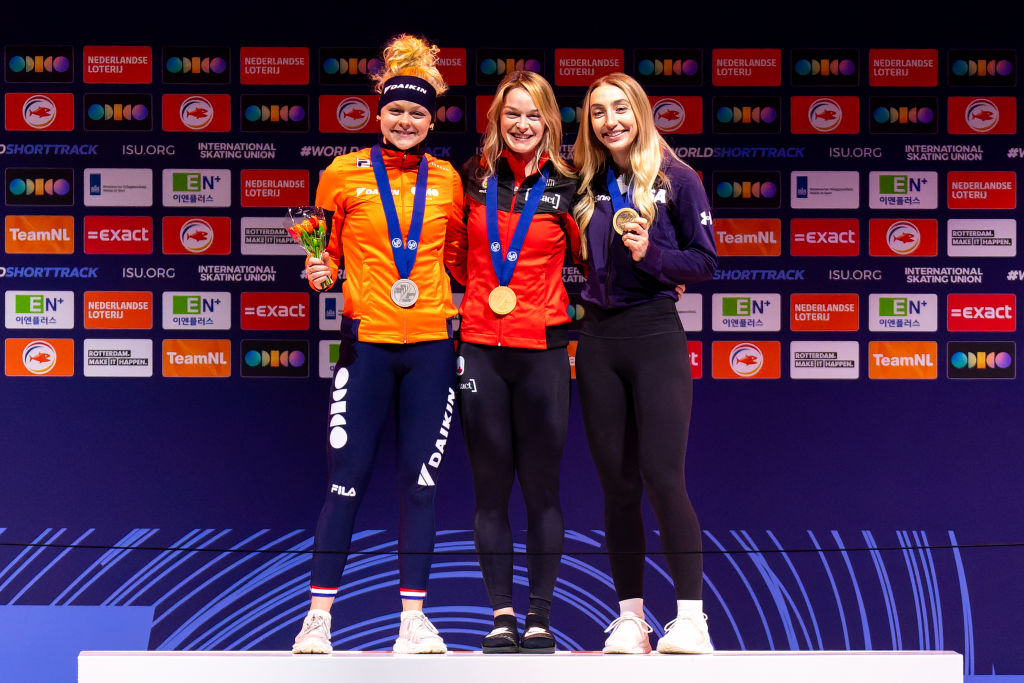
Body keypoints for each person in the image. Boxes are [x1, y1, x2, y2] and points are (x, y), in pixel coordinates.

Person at [291, 34, 463, 655]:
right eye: (397, 110)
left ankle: (413, 622)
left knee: (420, 484)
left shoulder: (448, 180)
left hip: (431, 351)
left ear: (431, 119)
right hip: (366, 346)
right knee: (347, 480)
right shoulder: (342, 172)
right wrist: (319, 272)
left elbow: (464, 261)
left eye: (418, 112)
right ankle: (318, 619)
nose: (407, 120)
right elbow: (324, 258)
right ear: (379, 112)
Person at [570, 73, 718, 655]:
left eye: (621, 108)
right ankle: (630, 619)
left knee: (662, 476)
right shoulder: (582, 182)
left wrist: (650, 255)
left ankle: (691, 619)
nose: (611, 121)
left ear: (642, 113)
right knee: (617, 486)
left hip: (655, 335)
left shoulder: (677, 178)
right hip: (599, 341)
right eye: (599, 112)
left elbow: (704, 264)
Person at [445, 70, 580, 654]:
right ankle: (501, 614)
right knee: (490, 489)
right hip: (479, 346)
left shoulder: (573, 185)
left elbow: (598, 261)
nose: (522, 125)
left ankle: (540, 618)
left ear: (550, 122)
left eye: (534, 116)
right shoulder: (471, 179)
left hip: (544, 349)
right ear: (497, 121)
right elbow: (449, 256)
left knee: (543, 490)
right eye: (512, 115)